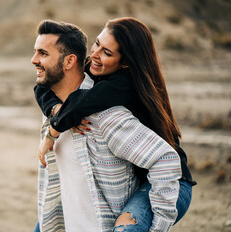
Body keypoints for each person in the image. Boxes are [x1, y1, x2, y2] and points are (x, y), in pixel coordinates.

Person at [31, 19, 190, 232]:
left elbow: (83, 103)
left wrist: (53, 131)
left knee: (126, 227)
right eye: (96, 43)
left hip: (169, 179)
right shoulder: (92, 67)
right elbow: (44, 87)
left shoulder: (124, 85)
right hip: (139, 168)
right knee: (49, 220)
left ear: (124, 63)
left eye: (107, 52)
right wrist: (57, 111)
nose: (95, 54)